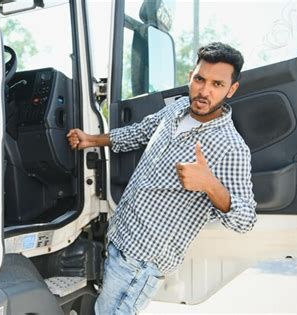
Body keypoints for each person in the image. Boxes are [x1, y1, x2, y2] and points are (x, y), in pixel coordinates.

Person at [67, 42, 257, 314]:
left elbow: (246, 219)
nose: (204, 91)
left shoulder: (231, 147)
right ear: (190, 76)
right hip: (121, 237)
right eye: (200, 79)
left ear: (231, 89)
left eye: (217, 84)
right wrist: (92, 140)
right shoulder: (178, 108)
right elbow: (140, 132)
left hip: (142, 262)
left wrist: (210, 185)